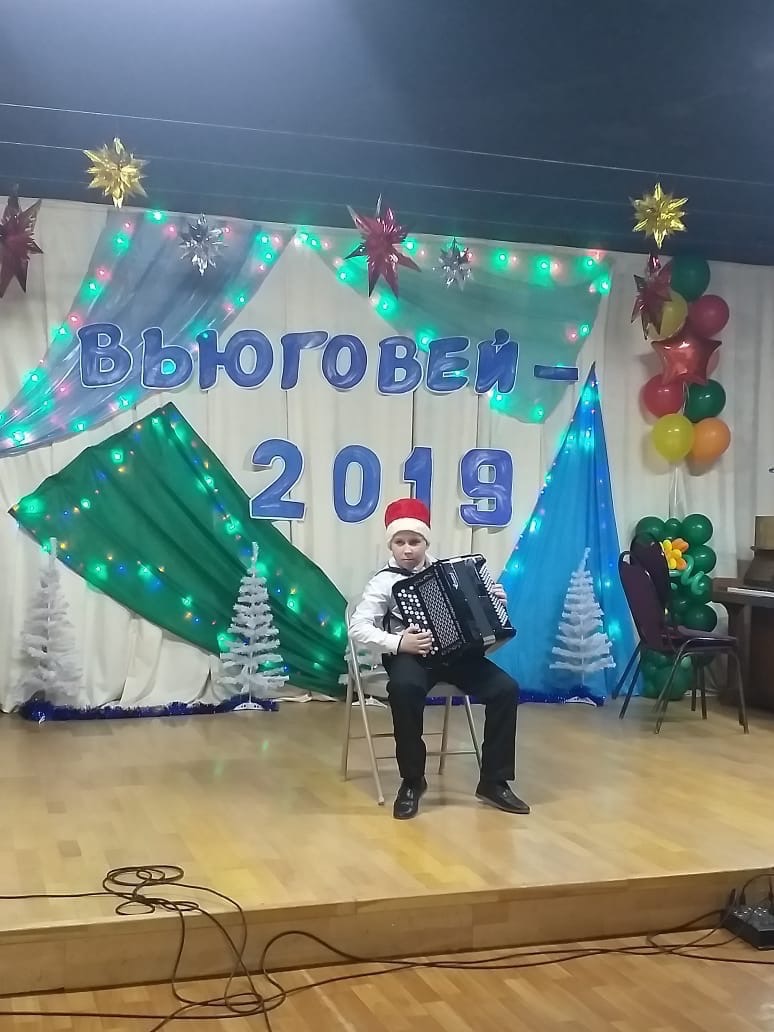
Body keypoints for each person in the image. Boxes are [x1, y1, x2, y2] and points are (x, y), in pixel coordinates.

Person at [348, 498, 529, 820]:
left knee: (505, 688)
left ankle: (494, 781)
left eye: (414, 541)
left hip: (457, 656)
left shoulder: (453, 573)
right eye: (400, 542)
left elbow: (477, 616)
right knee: (403, 689)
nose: (407, 549)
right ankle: (412, 781)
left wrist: (494, 600)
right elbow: (357, 627)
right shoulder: (383, 581)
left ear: (426, 543)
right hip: (411, 656)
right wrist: (398, 642)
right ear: (390, 544)